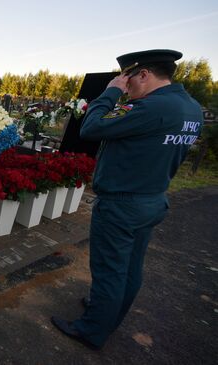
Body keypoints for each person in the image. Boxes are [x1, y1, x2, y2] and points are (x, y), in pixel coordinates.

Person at [51, 49, 203, 350]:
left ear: (144, 74)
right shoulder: (190, 108)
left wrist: (109, 94)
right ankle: (109, 314)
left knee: (109, 271)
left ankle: (92, 329)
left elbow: (92, 127)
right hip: (153, 199)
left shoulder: (150, 107)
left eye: (127, 79)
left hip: (122, 204)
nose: (125, 86)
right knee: (130, 269)